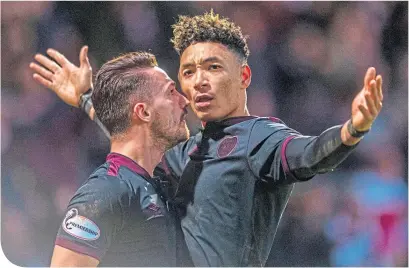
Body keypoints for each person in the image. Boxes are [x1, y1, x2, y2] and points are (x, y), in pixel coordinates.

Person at [30, 11, 383, 267]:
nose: (198, 81)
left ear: (244, 75)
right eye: (187, 72)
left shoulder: (259, 139)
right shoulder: (180, 152)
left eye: (213, 67)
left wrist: (353, 128)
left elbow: (308, 155)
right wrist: (89, 98)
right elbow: (133, 138)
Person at [30, 50, 191, 266]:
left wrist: (86, 98)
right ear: (143, 112)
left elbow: (126, 128)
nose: (184, 100)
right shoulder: (105, 192)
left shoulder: (157, 180)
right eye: (171, 92)